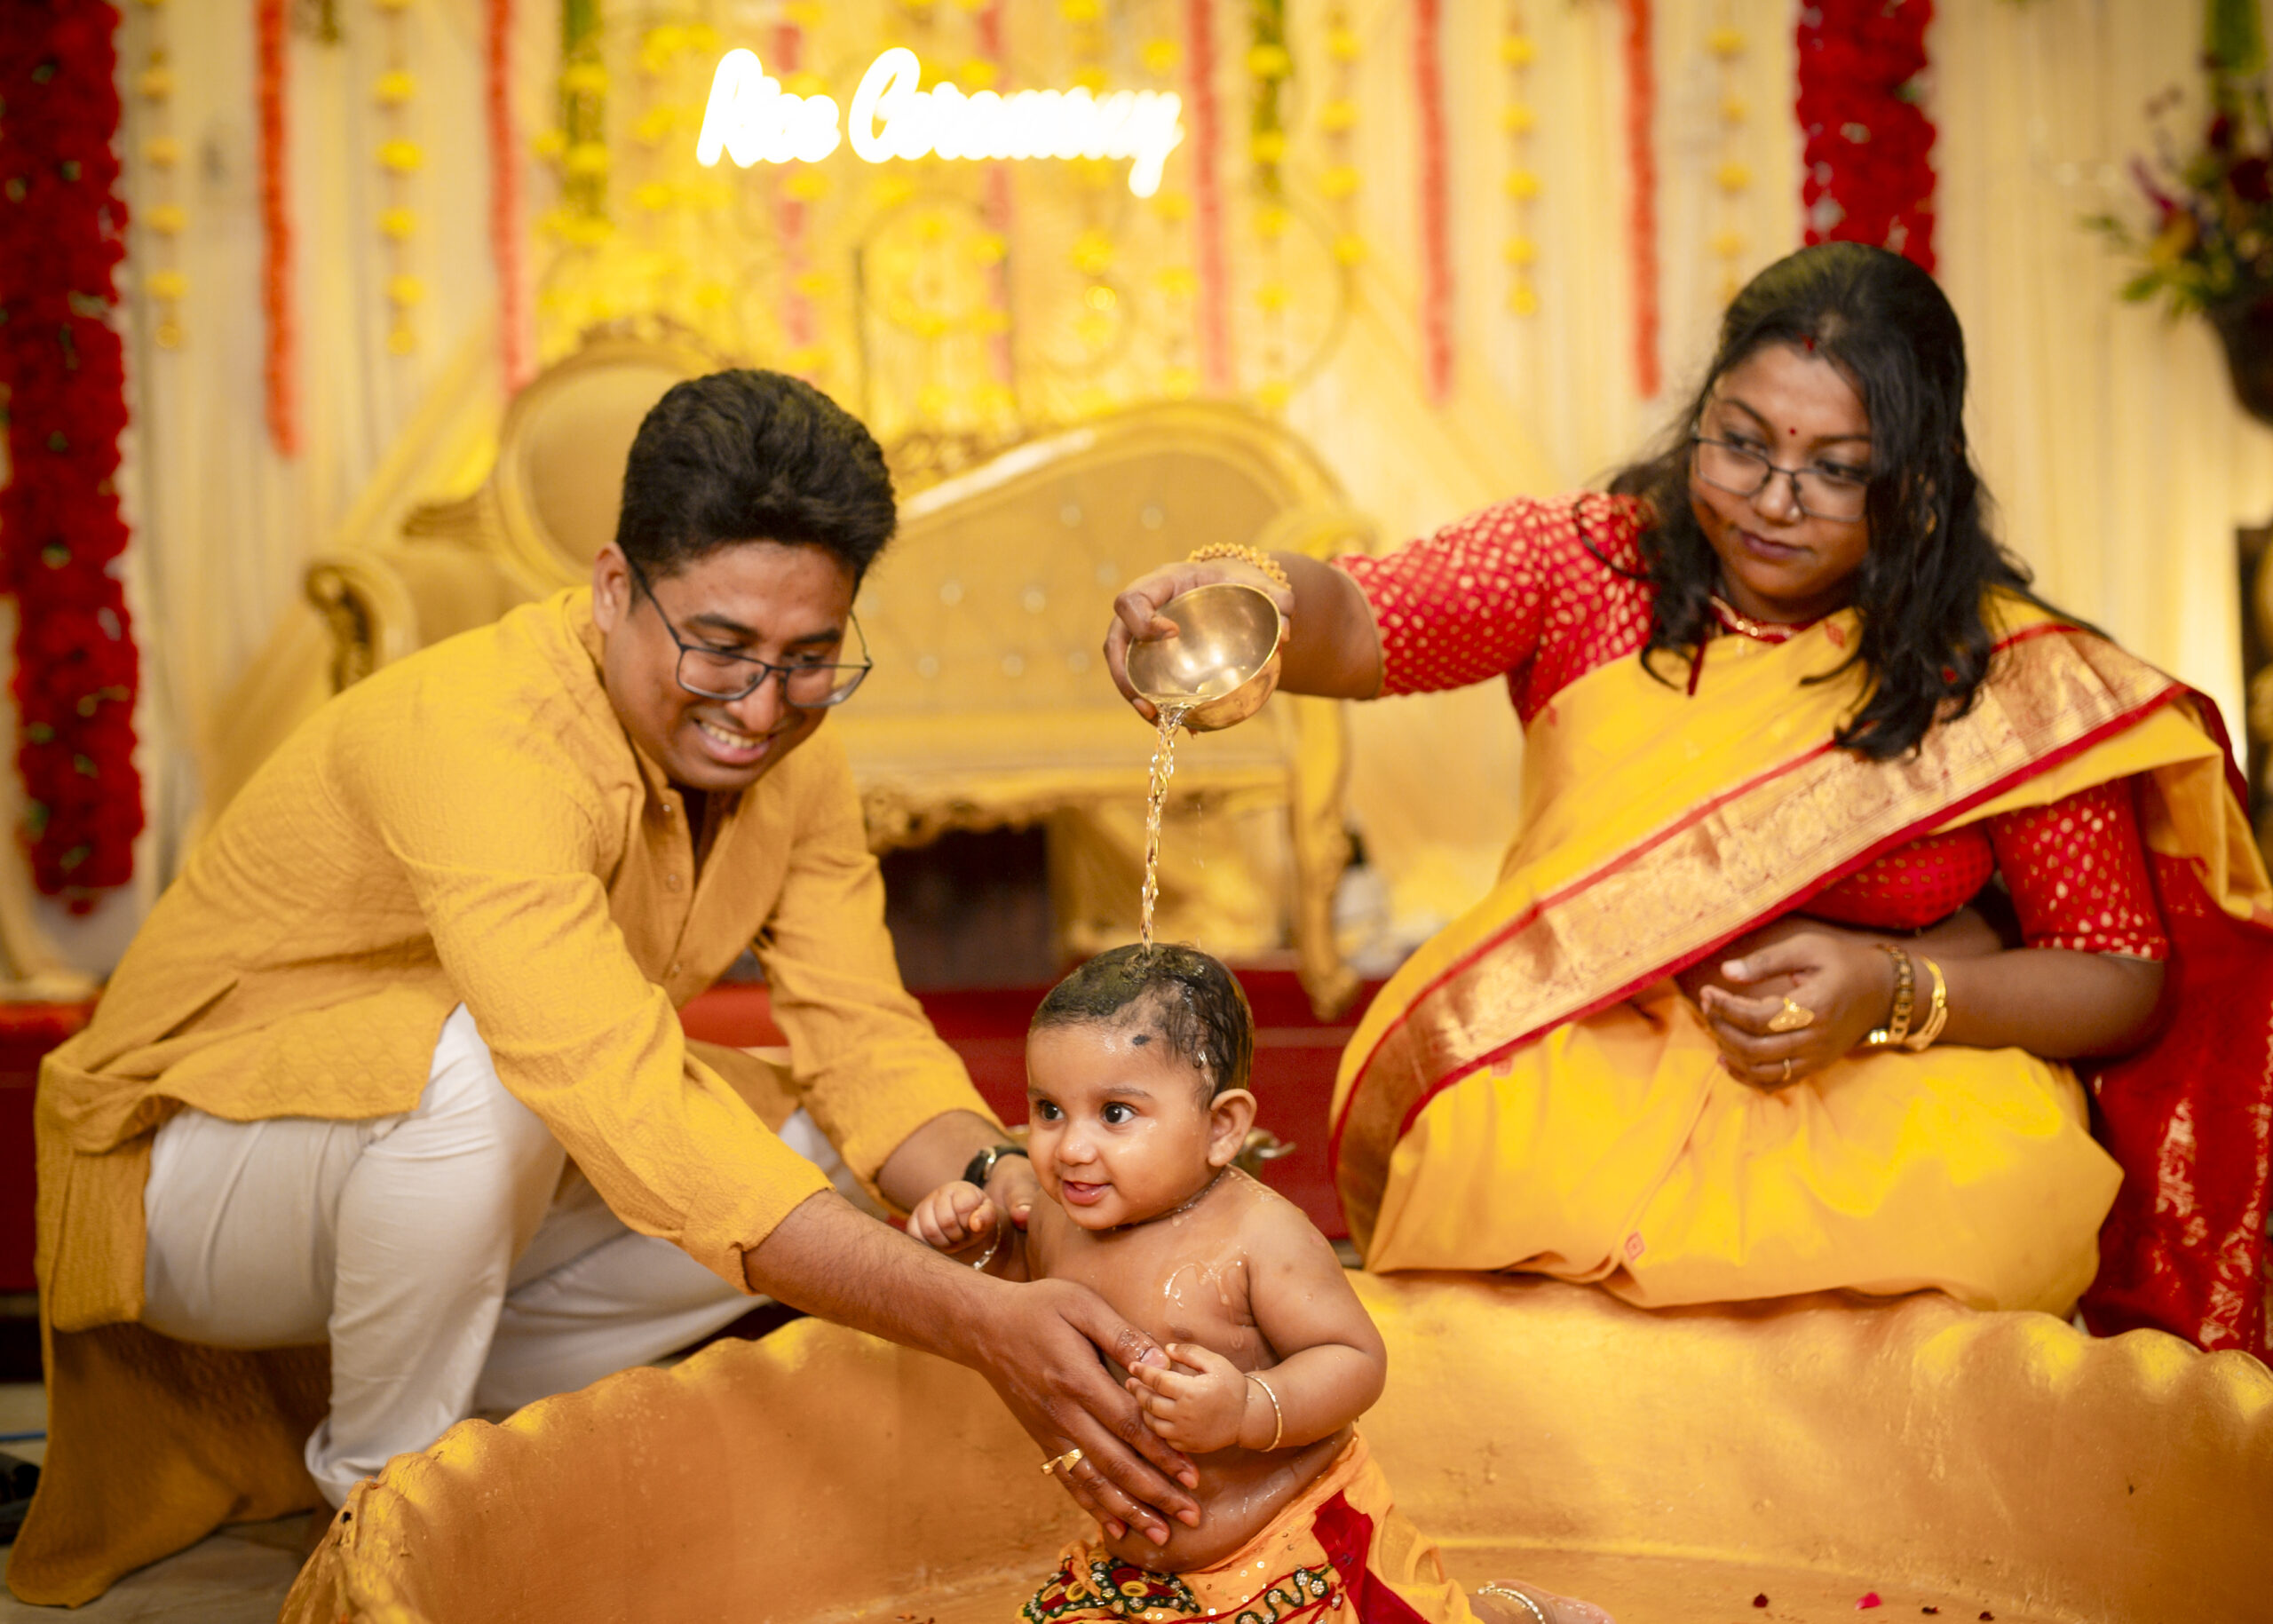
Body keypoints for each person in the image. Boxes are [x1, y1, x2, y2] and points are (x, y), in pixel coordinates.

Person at [8, 371, 1199, 1608]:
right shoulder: (484, 731)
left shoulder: (800, 760)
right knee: (492, 1071)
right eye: (719, 647)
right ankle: (380, 1506)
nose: (760, 707)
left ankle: (482, 1426)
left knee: (853, 1152)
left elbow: (863, 1036)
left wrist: (1010, 1188)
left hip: (421, 1173)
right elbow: (603, 1085)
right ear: (615, 586)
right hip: (181, 1175)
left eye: (809, 659)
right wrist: (971, 1319)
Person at [1103, 244, 2273, 1362]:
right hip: (1589, 1041)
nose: (1773, 499)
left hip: (1898, 1072)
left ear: (1916, 479)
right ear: (1699, 415)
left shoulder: (1998, 672)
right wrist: (1244, 595)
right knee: (1489, 1160)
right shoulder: (1590, 568)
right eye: (1742, 444)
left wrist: (1892, 990)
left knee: (1990, 1198)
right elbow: (1369, 615)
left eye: (1836, 469)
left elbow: (2117, 969)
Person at [909, 945, 1612, 1624]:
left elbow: (1355, 1359)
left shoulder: (1259, 1236)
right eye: (1048, 1110)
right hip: (1139, 1569)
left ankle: (1514, 1611)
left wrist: (1248, 1406)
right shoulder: (1054, 1215)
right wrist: (978, 1244)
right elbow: (1025, 1305)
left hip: (1294, 1545)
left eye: (1115, 1113)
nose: (1071, 1147)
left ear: (1222, 1127)